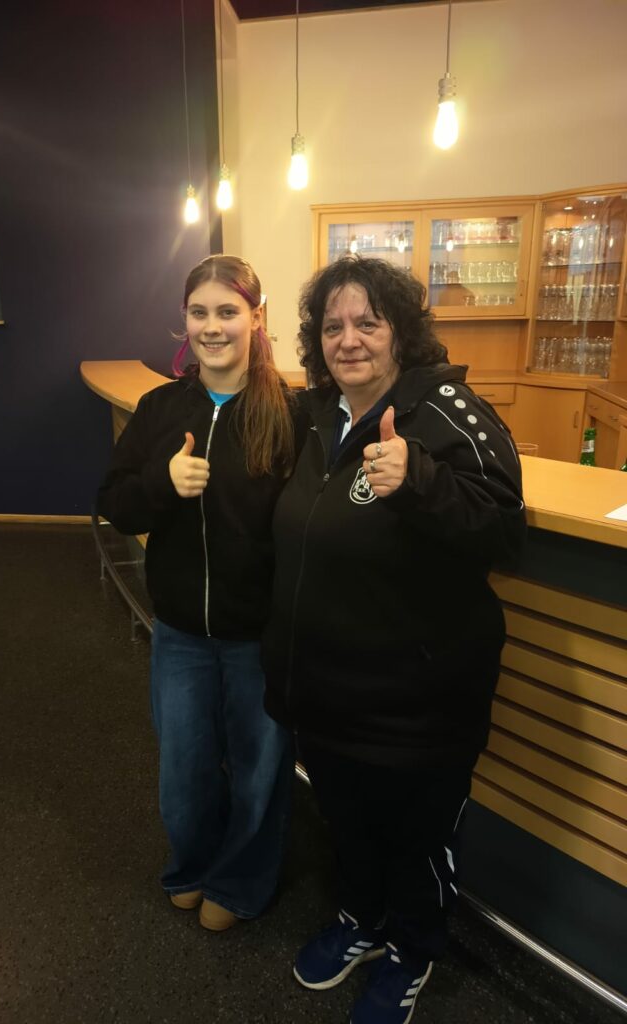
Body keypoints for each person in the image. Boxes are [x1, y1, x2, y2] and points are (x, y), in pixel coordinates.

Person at [261, 256, 526, 1023]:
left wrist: (419, 483)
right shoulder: (317, 414)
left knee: (415, 841)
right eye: (333, 326)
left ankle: (413, 949)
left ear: (400, 332)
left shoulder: (448, 413)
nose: (348, 340)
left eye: (367, 323)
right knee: (347, 825)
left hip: (418, 707)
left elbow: (503, 533)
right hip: (325, 695)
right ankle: (363, 920)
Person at [97, 255, 305, 932]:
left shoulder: (290, 414)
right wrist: (163, 484)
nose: (212, 327)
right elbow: (115, 505)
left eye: (227, 312)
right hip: (181, 632)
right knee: (183, 769)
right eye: (199, 313)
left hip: (258, 636)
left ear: (256, 318)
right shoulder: (161, 408)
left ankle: (240, 881)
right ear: (184, 321)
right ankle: (191, 865)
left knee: (258, 770)